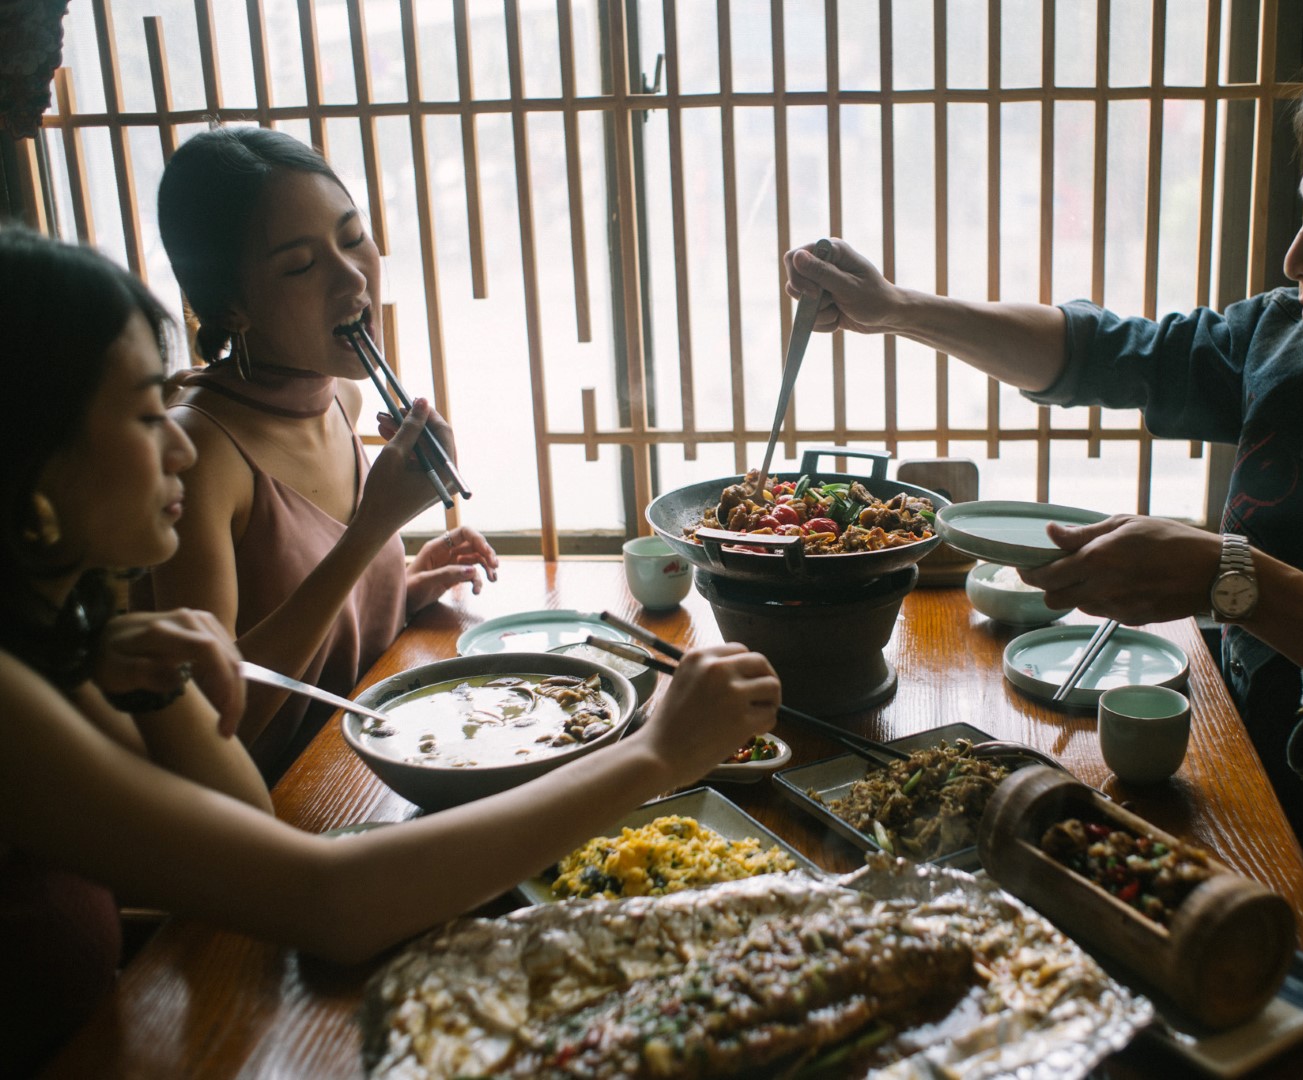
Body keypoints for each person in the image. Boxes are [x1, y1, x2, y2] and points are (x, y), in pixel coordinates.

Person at [785, 32, 1303, 1073]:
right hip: (1259, 805)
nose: (1294, 257)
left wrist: (1233, 578)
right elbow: (1113, 353)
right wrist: (895, 308)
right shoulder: (1294, 343)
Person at [0, 226, 780, 1077]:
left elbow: (244, 829)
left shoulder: (64, 645)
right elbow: (328, 902)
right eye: (150, 413)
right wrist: (656, 753)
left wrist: (159, 687)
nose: (180, 443)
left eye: (353, 241)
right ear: (28, 459)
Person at [140, 125, 500, 782]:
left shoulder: (339, 399)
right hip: (269, 814)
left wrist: (406, 586)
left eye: (352, 236)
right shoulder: (197, 452)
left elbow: (312, 615)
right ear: (231, 306)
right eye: (301, 265)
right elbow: (213, 721)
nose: (350, 274)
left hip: (359, 761)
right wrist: (372, 530)